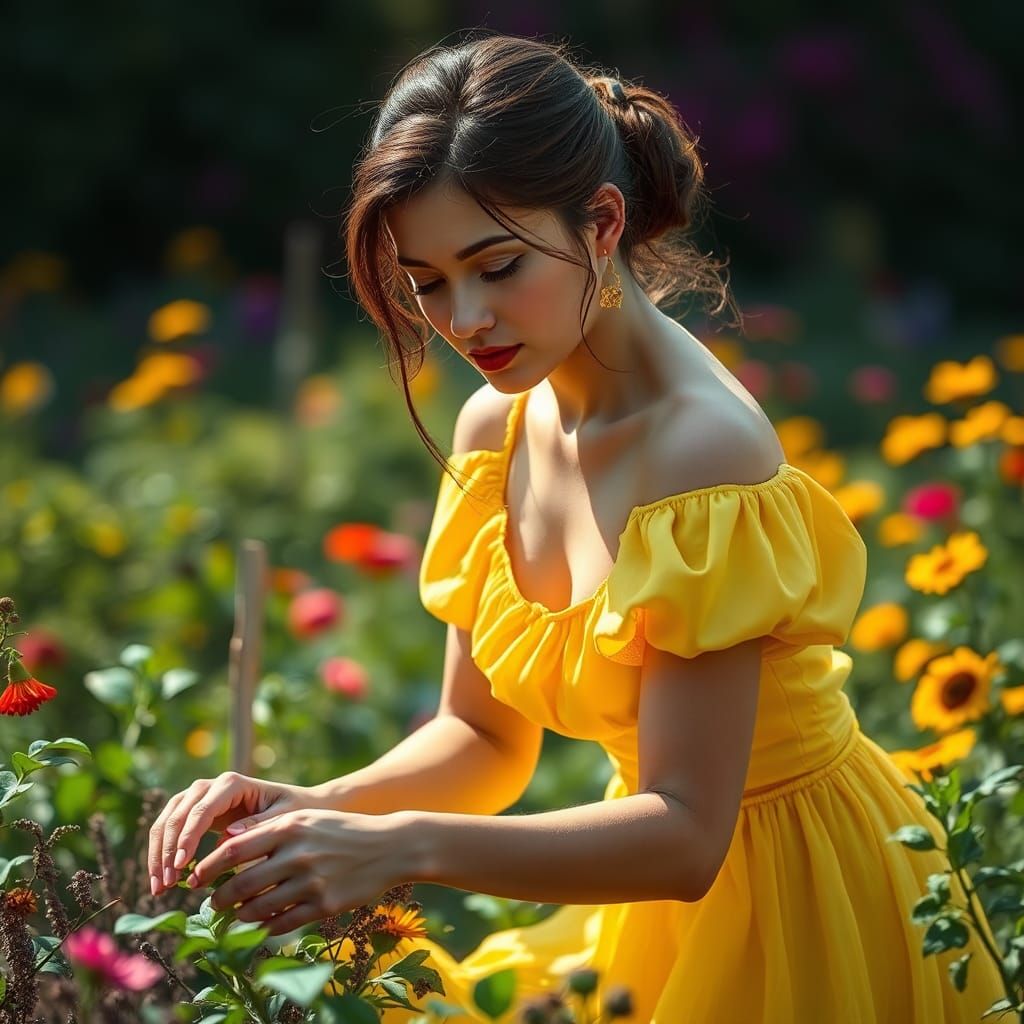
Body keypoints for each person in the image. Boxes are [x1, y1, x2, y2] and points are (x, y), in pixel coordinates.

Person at [147, 34, 1005, 1022]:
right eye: (426, 282)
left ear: (601, 222)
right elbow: (481, 738)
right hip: (642, 904)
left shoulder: (699, 453)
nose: (465, 320)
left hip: (800, 908)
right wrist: (311, 810)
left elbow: (688, 837)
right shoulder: (494, 426)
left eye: (497, 265)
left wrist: (400, 846)